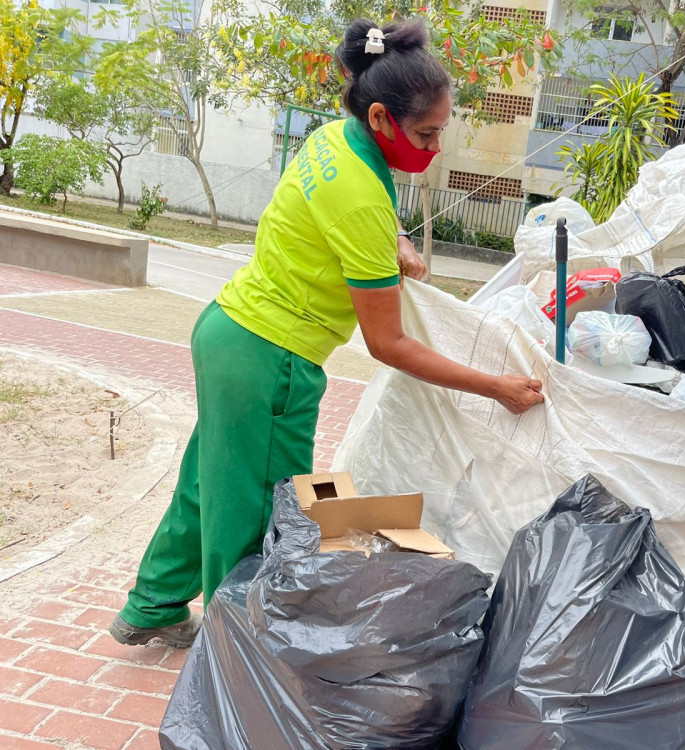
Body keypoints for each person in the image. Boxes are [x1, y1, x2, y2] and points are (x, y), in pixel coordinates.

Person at [109, 18, 545, 648]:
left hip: (228, 330)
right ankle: (236, 657)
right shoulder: (364, 195)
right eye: (426, 133)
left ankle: (153, 605)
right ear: (380, 117)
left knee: (210, 482)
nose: (435, 147)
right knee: (261, 515)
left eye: (440, 131)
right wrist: (494, 386)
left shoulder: (332, 141)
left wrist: (391, 240)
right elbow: (388, 344)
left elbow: (341, 212)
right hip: (271, 360)